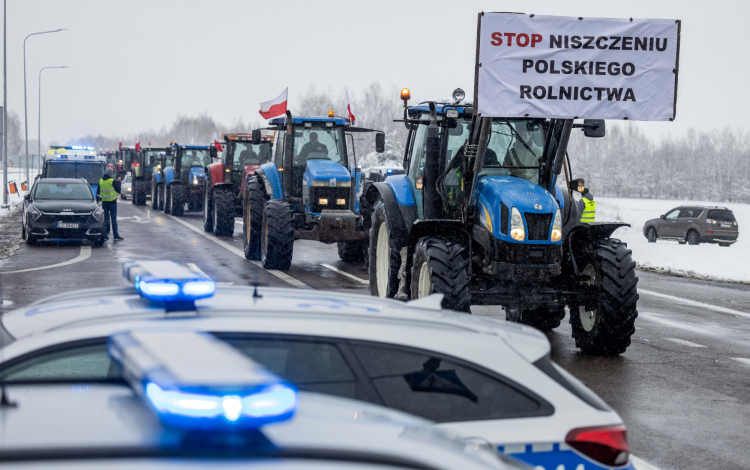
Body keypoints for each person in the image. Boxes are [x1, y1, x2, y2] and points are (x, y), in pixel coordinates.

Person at [99, 167, 123, 241]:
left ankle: (105, 235)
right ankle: (116, 236)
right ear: (110, 174)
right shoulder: (113, 181)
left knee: (105, 220)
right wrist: (119, 182)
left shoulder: (101, 181)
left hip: (104, 203)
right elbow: (118, 190)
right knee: (113, 220)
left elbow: (98, 192)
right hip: (112, 203)